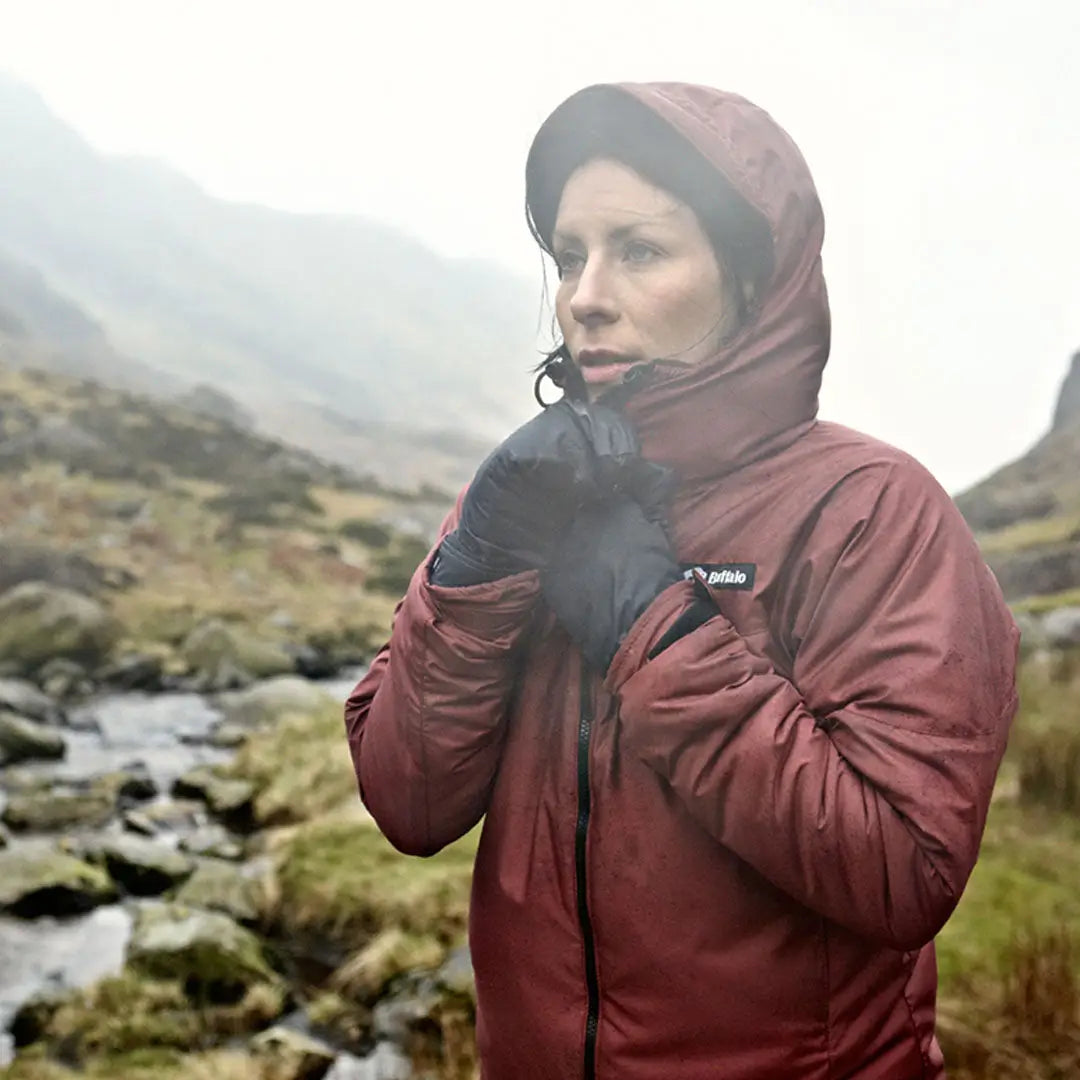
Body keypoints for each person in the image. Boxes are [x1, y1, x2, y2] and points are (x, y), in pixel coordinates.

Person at [345, 82, 1019, 1080]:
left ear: (753, 279)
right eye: (570, 256)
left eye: (641, 249)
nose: (585, 294)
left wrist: (652, 631)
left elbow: (903, 869)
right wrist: (475, 565)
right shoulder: (529, 498)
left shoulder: (872, 510)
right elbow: (408, 797)